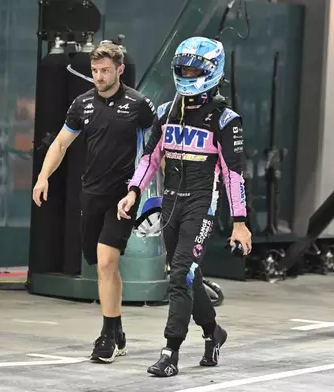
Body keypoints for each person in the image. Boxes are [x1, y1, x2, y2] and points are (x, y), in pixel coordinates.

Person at [117, 36, 252, 377]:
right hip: (171, 206)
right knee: (188, 276)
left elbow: (233, 174)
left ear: (213, 71)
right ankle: (213, 332)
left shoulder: (225, 119)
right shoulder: (165, 112)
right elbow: (149, 158)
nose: (188, 74)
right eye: (183, 68)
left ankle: (170, 351)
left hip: (202, 206)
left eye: (195, 69)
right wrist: (134, 192)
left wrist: (240, 222)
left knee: (179, 275)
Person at [32, 42, 159, 363]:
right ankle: (117, 329)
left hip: (124, 195)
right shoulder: (82, 104)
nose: (99, 77)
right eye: (95, 71)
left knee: (106, 261)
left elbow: (155, 153)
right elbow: (61, 143)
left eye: (105, 71)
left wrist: (140, 190)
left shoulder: (138, 104)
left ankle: (105, 336)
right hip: (91, 195)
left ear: (119, 70)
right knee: (99, 262)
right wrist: (43, 177)